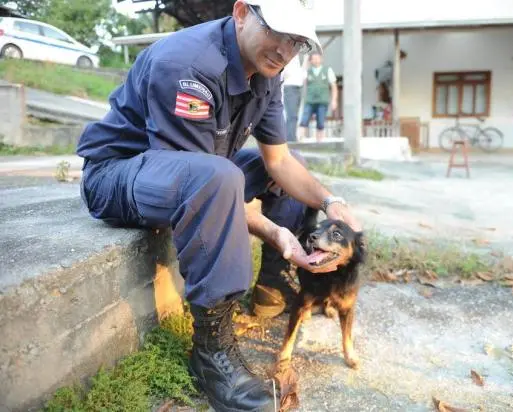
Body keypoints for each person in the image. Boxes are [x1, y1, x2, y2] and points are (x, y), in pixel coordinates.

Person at [75, 1, 361, 411]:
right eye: (277, 32)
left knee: (291, 164)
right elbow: (205, 187)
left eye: (296, 42)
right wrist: (273, 231)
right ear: (242, 12)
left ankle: (272, 286)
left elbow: (277, 161)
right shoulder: (188, 65)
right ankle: (211, 350)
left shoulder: (267, 71)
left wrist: (333, 202)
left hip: (195, 171)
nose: (284, 50)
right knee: (221, 178)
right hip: (117, 176)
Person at [299, 51, 338, 142]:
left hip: (322, 101)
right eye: (314, 59)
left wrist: (334, 100)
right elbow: (302, 80)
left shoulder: (327, 70)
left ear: (321, 59)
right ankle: (300, 140)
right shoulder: (307, 71)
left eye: (318, 58)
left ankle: (319, 143)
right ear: (311, 60)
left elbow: (334, 86)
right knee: (304, 121)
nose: (316, 60)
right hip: (310, 101)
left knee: (320, 123)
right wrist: (305, 62)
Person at [281, 55, 305, 142]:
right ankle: (290, 139)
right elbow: (284, 72)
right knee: (291, 115)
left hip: (299, 86)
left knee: (295, 115)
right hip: (290, 86)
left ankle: (292, 137)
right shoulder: (289, 54)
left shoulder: (298, 56)